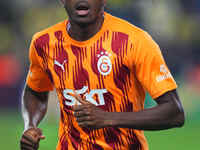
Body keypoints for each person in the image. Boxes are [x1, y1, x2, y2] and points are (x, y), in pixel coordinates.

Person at [20, 0, 185, 150]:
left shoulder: (135, 41)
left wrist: (108, 118)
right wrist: (30, 125)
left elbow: (174, 112)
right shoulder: (44, 43)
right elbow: (35, 91)